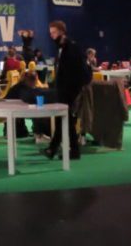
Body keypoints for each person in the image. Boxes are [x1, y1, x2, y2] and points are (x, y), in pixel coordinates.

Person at [44, 20, 87, 161]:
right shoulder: (62, 47)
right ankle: (55, 148)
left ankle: (64, 149)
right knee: (63, 119)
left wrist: (71, 88)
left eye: (54, 33)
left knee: (64, 118)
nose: (52, 36)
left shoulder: (71, 47)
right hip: (64, 89)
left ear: (62, 32)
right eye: (50, 33)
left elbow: (75, 70)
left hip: (69, 90)